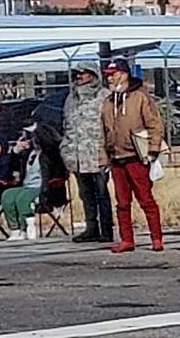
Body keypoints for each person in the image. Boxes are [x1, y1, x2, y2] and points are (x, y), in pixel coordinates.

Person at [101, 58, 165, 253]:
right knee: (121, 203)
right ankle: (126, 239)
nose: (110, 78)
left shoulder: (141, 98)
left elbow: (154, 125)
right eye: (109, 75)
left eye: (113, 74)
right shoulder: (107, 102)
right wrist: (104, 158)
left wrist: (153, 150)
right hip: (117, 159)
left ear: (124, 74)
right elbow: (102, 133)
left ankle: (157, 238)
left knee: (146, 199)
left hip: (138, 157)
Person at [61, 61, 114, 243]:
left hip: (98, 155)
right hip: (77, 155)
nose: (79, 77)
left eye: (83, 73)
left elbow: (111, 127)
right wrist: (66, 150)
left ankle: (107, 229)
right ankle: (91, 227)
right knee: (85, 194)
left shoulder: (105, 96)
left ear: (92, 75)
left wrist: (108, 152)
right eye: (77, 73)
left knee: (102, 193)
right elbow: (67, 126)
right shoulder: (71, 98)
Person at [0, 125, 43, 241]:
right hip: (27, 185)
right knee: (7, 195)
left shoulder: (48, 153)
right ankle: (15, 229)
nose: (29, 139)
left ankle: (26, 227)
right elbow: (11, 167)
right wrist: (16, 151)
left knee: (22, 198)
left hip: (41, 187)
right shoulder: (27, 154)